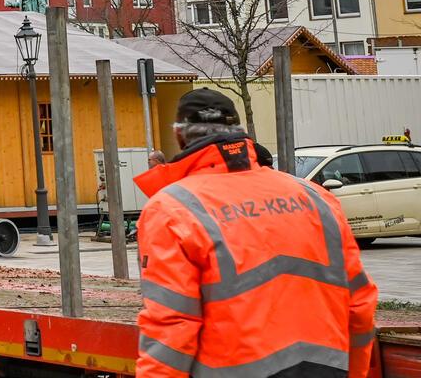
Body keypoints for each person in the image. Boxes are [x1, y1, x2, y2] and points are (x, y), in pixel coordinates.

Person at [135, 88, 376, 378]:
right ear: (240, 133)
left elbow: (171, 327)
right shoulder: (315, 197)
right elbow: (359, 304)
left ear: (179, 136)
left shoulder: (172, 209)